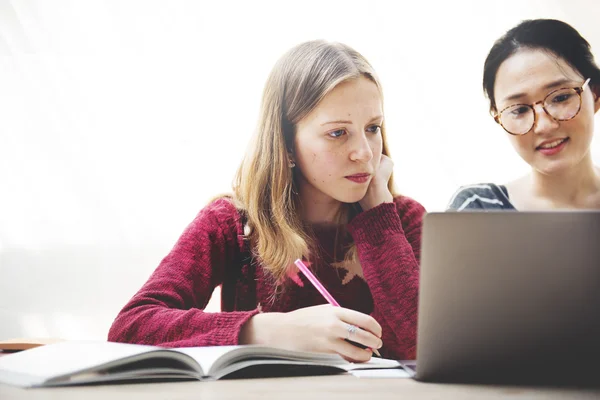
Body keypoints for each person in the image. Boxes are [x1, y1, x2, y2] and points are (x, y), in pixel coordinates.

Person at [108, 40, 426, 362]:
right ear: (287, 144)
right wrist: (268, 331)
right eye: (337, 133)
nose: (366, 153)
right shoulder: (233, 224)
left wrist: (378, 220)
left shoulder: (403, 220)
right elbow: (131, 327)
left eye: (372, 128)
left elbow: (423, 346)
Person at [448, 19, 600, 211]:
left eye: (560, 97)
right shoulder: (478, 210)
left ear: (595, 94)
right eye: (519, 110)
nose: (544, 126)